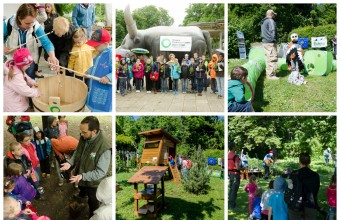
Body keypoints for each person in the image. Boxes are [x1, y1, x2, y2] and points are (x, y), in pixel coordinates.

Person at [60, 116, 111, 218]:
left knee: (93, 204)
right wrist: (70, 163)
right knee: (81, 191)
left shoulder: (104, 147)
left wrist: (83, 176)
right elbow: (77, 151)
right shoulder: (84, 137)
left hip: (94, 184)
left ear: (94, 131)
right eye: (81, 132)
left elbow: (101, 172)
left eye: (84, 132)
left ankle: (92, 216)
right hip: (81, 177)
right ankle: (80, 203)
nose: (81, 135)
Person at [4, 4, 59, 80]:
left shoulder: (35, 25)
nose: (30, 25)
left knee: (30, 80)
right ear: (19, 19)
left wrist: (52, 56)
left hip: (29, 60)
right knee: (15, 82)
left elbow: (46, 41)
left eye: (32, 22)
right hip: (14, 60)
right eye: (27, 23)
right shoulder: (9, 23)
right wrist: (3, 47)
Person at [4, 48, 40, 112]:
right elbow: (25, 90)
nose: (29, 66)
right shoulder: (16, 76)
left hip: (16, 100)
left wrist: (33, 83)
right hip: (14, 107)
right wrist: (37, 92)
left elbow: (26, 77)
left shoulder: (16, 67)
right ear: (21, 65)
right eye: (27, 65)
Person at [84, 29, 112, 112]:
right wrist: (88, 71)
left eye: (96, 45)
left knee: (101, 108)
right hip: (95, 86)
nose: (94, 47)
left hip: (104, 89)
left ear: (106, 44)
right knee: (94, 105)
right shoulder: (99, 53)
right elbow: (95, 66)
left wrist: (108, 77)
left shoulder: (110, 54)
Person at [288, 153, 320, 220]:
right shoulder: (316, 176)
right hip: (310, 205)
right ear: (310, 162)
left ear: (299, 161)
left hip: (295, 204)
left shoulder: (293, 174)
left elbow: (289, 189)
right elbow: (316, 190)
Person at [261, 9, 278, 80]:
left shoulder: (263, 21)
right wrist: (274, 39)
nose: (274, 16)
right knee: (272, 58)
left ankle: (269, 74)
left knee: (268, 58)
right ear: (271, 14)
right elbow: (272, 30)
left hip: (265, 42)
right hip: (270, 42)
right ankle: (271, 75)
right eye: (273, 14)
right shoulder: (270, 21)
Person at [228, 142, 241, 209]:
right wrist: (242, 168)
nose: (236, 147)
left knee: (231, 189)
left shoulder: (228, 155)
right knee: (234, 190)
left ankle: (230, 203)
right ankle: (232, 205)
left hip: (230, 174)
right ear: (233, 147)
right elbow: (237, 167)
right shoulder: (235, 156)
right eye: (235, 146)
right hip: (235, 174)